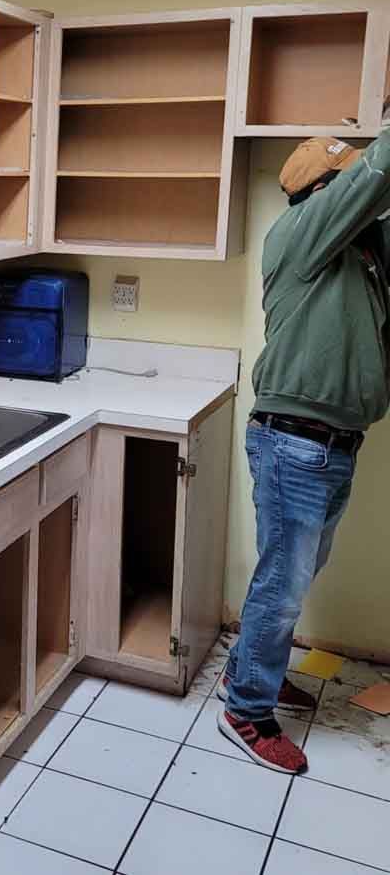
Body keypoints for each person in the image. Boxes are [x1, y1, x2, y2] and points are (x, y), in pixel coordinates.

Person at [217, 130, 390, 774]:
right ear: (322, 193)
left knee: (292, 573)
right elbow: (373, 178)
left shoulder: (360, 258)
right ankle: (247, 709)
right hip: (294, 442)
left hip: (332, 444)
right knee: (283, 584)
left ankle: (248, 666)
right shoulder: (300, 236)